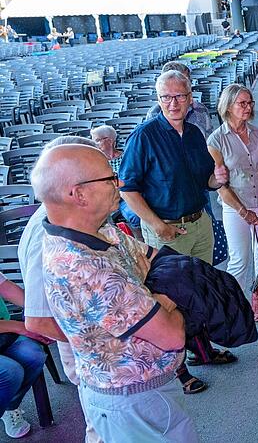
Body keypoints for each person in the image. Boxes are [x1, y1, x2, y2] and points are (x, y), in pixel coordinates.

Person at [32, 144, 198, 442]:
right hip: (133, 402)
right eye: (109, 177)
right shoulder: (83, 266)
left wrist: (155, 295)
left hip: (138, 393)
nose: (118, 183)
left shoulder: (98, 231)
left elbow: (156, 259)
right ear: (78, 193)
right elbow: (172, 334)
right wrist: (174, 294)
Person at [120, 69, 236, 377]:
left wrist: (217, 179)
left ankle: (202, 350)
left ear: (190, 98)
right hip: (168, 230)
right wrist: (157, 226)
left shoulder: (195, 134)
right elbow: (127, 188)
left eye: (179, 96)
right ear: (158, 100)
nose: (173, 103)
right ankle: (179, 371)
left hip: (199, 223)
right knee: (169, 301)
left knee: (198, 292)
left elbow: (205, 180)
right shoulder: (144, 135)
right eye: (166, 97)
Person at [22, 136, 105, 443]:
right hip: (89, 348)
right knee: (103, 428)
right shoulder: (45, 233)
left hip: (97, 342)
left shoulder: (72, 217)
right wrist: (97, 340)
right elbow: (38, 320)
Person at [206, 84, 258, 290]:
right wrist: (244, 212)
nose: (248, 107)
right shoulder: (216, 140)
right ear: (228, 106)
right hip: (235, 208)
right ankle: (236, 308)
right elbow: (220, 185)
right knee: (239, 260)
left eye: (250, 103)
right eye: (242, 103)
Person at [0, 274, 48, 439]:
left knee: (33, 355)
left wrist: (41, 314)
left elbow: (6, 287)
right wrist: (21, 327)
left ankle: (9, 407)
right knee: (9, 372)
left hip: (3, 334)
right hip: (7, 328)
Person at [146, 61, 213, 138]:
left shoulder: (201, 109)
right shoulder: (154, 114)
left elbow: (208, 141)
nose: (187, 85)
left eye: (187, 81)